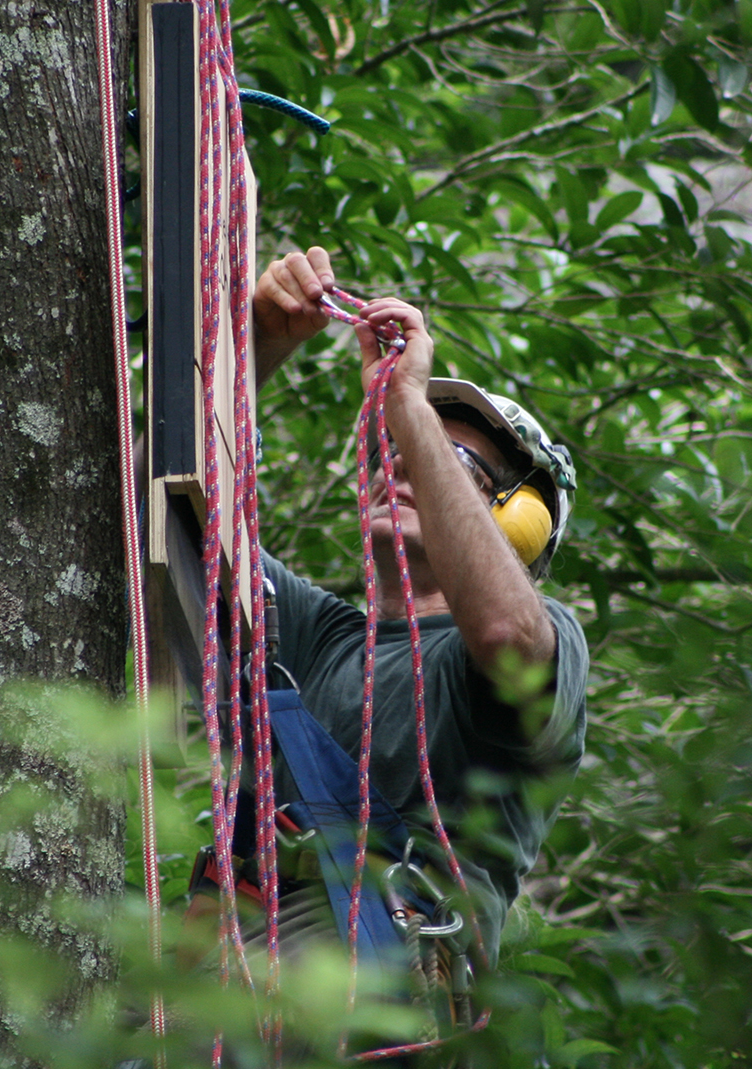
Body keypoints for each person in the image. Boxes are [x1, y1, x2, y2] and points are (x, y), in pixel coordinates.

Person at [233, 247, 590, 991]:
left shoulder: (543, 641)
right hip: (242, 980)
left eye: (450, 461)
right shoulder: (315, 635)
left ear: (517, 524)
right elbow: (162, 519)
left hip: (390, 987)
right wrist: (263, 342)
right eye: (398, 444)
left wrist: (411, 406)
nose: (401, 457)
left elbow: (503, 636)